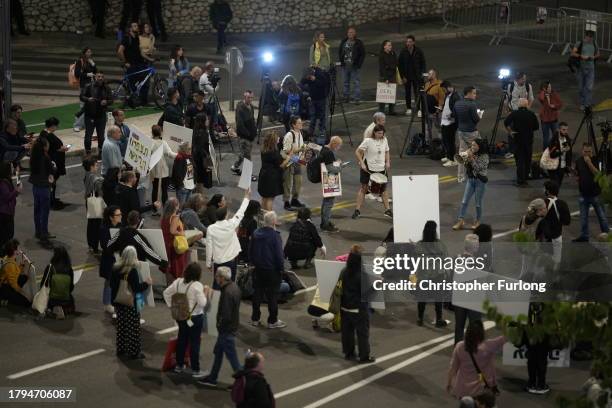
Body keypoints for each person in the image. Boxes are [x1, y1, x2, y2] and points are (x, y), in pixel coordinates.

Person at [163, 263, 210, 378]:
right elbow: (202, 303)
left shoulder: (178, 282)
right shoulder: (197, 285)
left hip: (180, 315)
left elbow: (166, 293)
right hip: (194, 318)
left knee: (182, 340)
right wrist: (206, 293)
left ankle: (179, 365)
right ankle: (196, 369)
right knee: (195, 343)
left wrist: (172, 306)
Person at [198, 267, 242, 387]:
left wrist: (218, 324)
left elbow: (226, 315)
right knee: (218, 352)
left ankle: (243, 382)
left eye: (217, 276)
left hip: (226, 331)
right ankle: (213, 377)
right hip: (231, 328)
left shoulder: (227, 293)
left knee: (234, 360)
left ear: (222, 278)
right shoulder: (234, 287)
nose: (216, 278)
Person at [111, 246, 152, 360]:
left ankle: (121, 349)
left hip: (118, 301)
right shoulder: (132, 271)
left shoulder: (115, 268)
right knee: (133, 327)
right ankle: (134, 352)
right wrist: (147, 283)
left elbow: (111, 285)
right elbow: (137, 288)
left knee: (121, 326)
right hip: (129, 303)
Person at [447, 320, 505, 398]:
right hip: (481, 388)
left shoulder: (460, 346)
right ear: (481, 333)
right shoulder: (488, 346)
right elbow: (507, 337)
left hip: (463, 389)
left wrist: (449, 383)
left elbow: (453, 367)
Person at [249, 211, 286, 329]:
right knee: (272, 297)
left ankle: (255, 318)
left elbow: (250, 251)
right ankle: (272, 321)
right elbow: (279, 256)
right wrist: (281, 269)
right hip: (272, 271)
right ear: (274, 222)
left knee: (257, 294)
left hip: (258, 270)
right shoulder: (275, 236)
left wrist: (253, 264)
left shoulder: (255, 233)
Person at [205, 189, 251, 284]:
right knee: (230, 283)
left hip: (218, 262)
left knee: (218, 284)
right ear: (226, 215)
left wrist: (208, 263)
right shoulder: (232, 224)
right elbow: (241, 212)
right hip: (231, 260)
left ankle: (217, 298)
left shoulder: (211, 229)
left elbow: (209, 247)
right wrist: (246, 197)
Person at [340, 245, 375, 363]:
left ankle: (348, 353)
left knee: (347, 332)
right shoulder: (362, 275)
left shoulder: (344, 272)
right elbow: (367, 293)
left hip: (345, 307)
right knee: (362, 333)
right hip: (358, 309)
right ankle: (364, 356)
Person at [352, 124, 392, 219]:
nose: (381, 135)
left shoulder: (384, 140)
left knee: (384, 190)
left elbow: (387, 151)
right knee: (363, 189)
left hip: (381, 169)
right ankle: (357, 210)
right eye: (379, 133)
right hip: (368, 168)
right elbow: (357, 152)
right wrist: (362, 163)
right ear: (374, 132)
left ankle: (387, 210)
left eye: (382, 133)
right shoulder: (368, 141)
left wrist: (387, 162)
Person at [161, 198, 202, 285]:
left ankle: (169, 288)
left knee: (169, 269)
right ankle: (176, 289)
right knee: (177, 270)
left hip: (166, 245)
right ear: (176, 206)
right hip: (175, 247)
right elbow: (172, 231)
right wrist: (182, 233)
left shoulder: (164, 217)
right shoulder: (175, 217)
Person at [573, 143, 610, 242]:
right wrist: (577, 178)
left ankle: (607, 234)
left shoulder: (596, 160)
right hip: (583, 194)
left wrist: (589, 163)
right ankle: (584, 235)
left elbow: (598, 174)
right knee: (583, 218)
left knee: (602, 217)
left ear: (592, 152)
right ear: (582, 151)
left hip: (596, 194)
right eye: (585, 152)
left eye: (589, 152)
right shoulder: (578, 161)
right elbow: (577, 174)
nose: (587, 154)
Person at [416, 221, 447, 327]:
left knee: (422, 298)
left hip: (423, 276)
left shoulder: (419, 245)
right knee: (438, 298)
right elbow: (445, 259)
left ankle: (420, 318)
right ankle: (439, 319)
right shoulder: (440, 244)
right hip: (437, 275)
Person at [453, 139, 489, 231]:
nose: (472, 147)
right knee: (464, 201)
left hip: (480, 182)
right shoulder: (471, 152)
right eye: (472, 145)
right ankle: (460, 220)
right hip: (471, 180)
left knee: (478, 204)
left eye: (474, 145)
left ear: (479, 146)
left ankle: (477, 221)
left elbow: (478, 168)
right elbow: (467, 167)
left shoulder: (485, 156)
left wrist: (471, 158)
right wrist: (466, 160)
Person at [453, 234, 483, 344]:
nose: (479, 245)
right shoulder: (478, 262)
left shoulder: (456, 259)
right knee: (474, 326)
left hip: (459, 298)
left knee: (459, 326)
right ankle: (473, 348)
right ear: (473, 247)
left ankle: (458, 349)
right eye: (477, 244)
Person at [504, 98, 539, 187]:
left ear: (519, 105)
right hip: (528, 140)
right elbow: (536, 127)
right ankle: (526, 176)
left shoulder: (514, 113)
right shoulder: (531, 114)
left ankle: (520, 180)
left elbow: (506, 122)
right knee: (527, 159)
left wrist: (510, 132)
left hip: (518, 140)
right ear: (527, 105)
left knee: (520, 161)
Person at [453, 86, 482, 183]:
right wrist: (480, 115)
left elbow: (455, 116)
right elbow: (476, 119)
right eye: (474, 93)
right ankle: (477, 173)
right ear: (468, 94)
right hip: (471, 132)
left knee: (462, 154)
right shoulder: (472, 104)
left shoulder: (457, 103)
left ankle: (460, 177)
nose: (475, 95)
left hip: (461, 131)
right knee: (479, 151)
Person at [28, 138, 55, 242]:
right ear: (44, 147)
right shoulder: (45, 157)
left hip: (35, 187)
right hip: (44, 187)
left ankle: (38, 231)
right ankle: (44, 233)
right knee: (44, 212)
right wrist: (54, 166)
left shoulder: (33, 156)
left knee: (37, 210)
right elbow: (51, 170)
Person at [38, 117, 68, 210]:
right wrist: (61, 149)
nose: (57, 127)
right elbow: (50, 149)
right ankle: (51, 202)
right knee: (52, 182)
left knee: (52, 182)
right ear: (53, 126)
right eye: (56, 125)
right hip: (53, 162)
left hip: (52, 161)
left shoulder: (44, 133)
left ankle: (52, 199)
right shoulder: (48, 135)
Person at [80, 72, 113, 155]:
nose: (100, 78)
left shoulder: (107, 88)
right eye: (99, 76)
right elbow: (81, 96)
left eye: (102, 76)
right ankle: (88, 153)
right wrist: (88, 99)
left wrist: (106, 102)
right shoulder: (88, 86)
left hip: (101, 116)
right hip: (90, 116)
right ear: (95, 77)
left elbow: (111, 100)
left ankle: (101, 153)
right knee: (88, 137)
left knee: (101, 137)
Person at [258, 132, 291, 211]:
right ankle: (270, 220)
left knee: (264, 198)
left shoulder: (264, 149)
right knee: (270, 199)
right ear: (273, 141)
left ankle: (263, 217)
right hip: (271, 177)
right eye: (277, 139)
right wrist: (288, 158)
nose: (279, 140)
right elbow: (281, 165)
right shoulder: (274, 153)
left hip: (263, 175)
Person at [117, 22, 148, 106]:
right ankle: (132, 102)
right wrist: (125, 62)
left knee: (144, 82)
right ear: (130, 28)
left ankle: (142, 102)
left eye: (137, 26)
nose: (137, 27)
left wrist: (149, 59)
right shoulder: (127, 38)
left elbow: (139, 51)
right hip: (131, 65)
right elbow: (120, 51)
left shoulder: (137, 38)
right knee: (132, 84)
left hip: (139, 64)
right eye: (134, 26)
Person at [41, 246, 75, 319]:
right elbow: (71, 287)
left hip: (52, 299)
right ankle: (63, 308)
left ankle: (52, 308)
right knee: (70, 298)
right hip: (66, 299)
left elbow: (43, 284)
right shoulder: (69, 269)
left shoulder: (50, 267)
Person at [99, 205, 122, 318]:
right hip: (109, 258)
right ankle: (107, 303)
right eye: (118, 215)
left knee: (116, 282)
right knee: (109, 281)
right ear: (111, 217)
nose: (120, 216)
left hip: (118, 257)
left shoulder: (120, 226)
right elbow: (105, 246)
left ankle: (114, 301)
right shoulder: (104, 229)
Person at [282, 116, 306, 211]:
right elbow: (286, 150)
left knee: (298, 182)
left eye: (301, 123)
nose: (301, 124)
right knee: (287, 182)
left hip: (298, 161)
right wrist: (300, 149)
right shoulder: (289, 135)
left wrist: (303, 153)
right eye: (299, 123)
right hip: (290, 161)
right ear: (293, 125)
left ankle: (295, 199)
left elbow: (301, 146)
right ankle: (286, 201)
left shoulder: (300, 133)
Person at [398, 35, 426, 116]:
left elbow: (423, 63)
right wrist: (402, 76)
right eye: (407, 42)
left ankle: (419, 109)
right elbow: (400, 65)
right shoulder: (403, 51)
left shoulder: (418, 51)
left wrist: (422, 74)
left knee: (417, 93)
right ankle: (409, 108)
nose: (408, 43)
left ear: (413, 42)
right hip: (407, 77)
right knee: (407, 93)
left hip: (417, 76)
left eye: (410, 42)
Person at [149, 125, 177, 208]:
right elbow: (170, 154)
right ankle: (165, 208)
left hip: (153, 171)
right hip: (163, 171)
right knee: (164, 190)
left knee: (154, 189)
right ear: (160, 133)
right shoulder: (163, 143)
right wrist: (181, 154)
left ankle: (154, 208)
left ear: (152, 132)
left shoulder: (149, 142)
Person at [571, 30, 599, 110]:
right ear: (585, 36)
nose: (590, 39)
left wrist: (594, 57)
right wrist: (581, 56)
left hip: (591, 68)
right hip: (581, 68)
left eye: (591, 37)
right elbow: (573, 53)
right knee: (581, 87)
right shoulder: (579, 43)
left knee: (589, 87)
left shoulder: (594, 43)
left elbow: (598, 54)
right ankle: (582, 102)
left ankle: (587, 104)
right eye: (589, 37)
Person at [320, 136, 343, 232]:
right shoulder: (329, 152)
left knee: (326, 201)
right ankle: (325, 224)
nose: (338, 148)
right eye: (338, 146)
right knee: (328, 203)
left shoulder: (323, 148)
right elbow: (331, 168)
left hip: (325, 178)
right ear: (333, 143)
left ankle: (325, 222)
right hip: (330, 180)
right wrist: (340, 166)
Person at [300, 67, 330, 140]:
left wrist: (315, 80)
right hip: (312, 99)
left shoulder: (320, 74)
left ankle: (321, 130)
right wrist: (308, 92)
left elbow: (324, 84)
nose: (308, 78)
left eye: (309, 77)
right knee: (312, 116)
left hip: (321, 99)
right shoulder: (307, 75)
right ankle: (311, 131)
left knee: (322, 116)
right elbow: (301, 82)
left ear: (312, 74)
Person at [232, 90, 257, 177]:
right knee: (247, 156)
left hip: (250, 135)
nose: (250, 99)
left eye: (251, 97)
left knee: (243, 154)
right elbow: (240, 124)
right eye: (248, 97)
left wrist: (254, 131)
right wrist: (248, 134)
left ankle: (235, 166)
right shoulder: (240, 108)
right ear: (244, 97)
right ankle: (247, 175)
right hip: (244, 136)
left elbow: (252, 120)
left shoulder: (251, 107)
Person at [73, 47, 98, 132]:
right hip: (83, 86)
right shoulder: (80, 61)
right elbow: (77, 74)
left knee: (89, 105)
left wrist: (94, 65)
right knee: (82, 105)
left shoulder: (90, 61)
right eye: (88, 52)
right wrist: (87, 74)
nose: (89, 53)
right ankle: (77, 125)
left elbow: (95, 72)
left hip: (91, 86)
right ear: (84, 53)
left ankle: (84, 124)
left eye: (90, 52)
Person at [0, 239, 31, 307]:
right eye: (18, 248)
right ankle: (5, 299)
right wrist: (22, 292)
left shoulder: (8, 258)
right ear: (14, 251)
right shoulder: (10, 265)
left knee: (24, 277)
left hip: (7, 284)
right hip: (5, 288)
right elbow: (13, 284)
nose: (19, 250)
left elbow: (15, 272)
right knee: (27, 303)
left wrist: (21, 266)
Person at [83, 156, 104, 253]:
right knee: (96, 226)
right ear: (91, 167)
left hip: (88, 201)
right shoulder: (96, 179)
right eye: (96, 165)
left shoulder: (87, 175)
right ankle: (95, 247)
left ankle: (90, 244)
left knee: (90, 224)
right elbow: (100, 192)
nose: (97, 166)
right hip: (95, 203)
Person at [339, 27, 365, 104]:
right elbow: (340, 51)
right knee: (345, 82)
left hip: (354, 66)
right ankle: (346, 97)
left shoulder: (358, 42)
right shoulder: (344, 41)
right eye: (349, 32)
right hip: (345, 66)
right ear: (347, 34)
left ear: (355, 33)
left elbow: (362, 54)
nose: (350, 34)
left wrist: (359, 64)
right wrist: (341, 61)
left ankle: (356, 98)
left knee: (356, 83)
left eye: (352, 32)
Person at [0, 162, 20, 250]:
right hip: (5, 214)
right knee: (7, 236)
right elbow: (7, 196)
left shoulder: (7, 180)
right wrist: (16, 191)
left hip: (7, 212)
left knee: (8, 235)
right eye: (11, 167)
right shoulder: (3, 182)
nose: (13, 168)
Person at [537, 81, 563, 150]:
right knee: (546, 137)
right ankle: (545, 151)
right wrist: (544, 92)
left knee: (556, 136)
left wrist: (554, 106)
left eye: (550, 86)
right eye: (549, 87)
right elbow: (541, 98)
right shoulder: (541, 94)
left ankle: (556, 149)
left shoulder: (554, 94)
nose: (550, 88)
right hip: (545, 120)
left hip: (554, 119)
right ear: (544, 88)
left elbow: (560, 104)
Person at [440, 80, 460, 167]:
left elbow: (457, 109)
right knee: (445, 140)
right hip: (445, 121)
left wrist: (451, 115)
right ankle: (448, 156)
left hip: (451, 122)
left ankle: (452, 159)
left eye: (444, 89)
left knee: (450, 141)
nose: (443, 91)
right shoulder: (447, 95)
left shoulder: (455, 97)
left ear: (449, 88)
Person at [547, 122, 571, 187]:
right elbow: (552, 154)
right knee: (554, 184)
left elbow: (568, 154)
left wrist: (568, 167)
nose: (565, 132)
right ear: (559, 129)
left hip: (562, 166)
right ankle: (552, 195)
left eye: (566, 130)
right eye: (563, 130)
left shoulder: (567, 138)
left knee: (558, 184)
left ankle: (554, 196)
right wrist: (562, 151)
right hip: (554, 166)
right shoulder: (554, 139)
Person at [237, 200, 261, 264]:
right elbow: (254, 235)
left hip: (240, 241)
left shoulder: (243, 217)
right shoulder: (252, 222)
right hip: (247, 245)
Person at [378, 40, 398, 115]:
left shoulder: (393, 53)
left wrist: (389, 66)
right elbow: (382, 68)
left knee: (392, 94)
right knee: (383, 95)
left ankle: (391, 110)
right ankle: (381, 110)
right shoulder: (382, 55)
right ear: (384, 46)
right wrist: (386, 78)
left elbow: (395, 63)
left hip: (392, 75)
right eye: (389, 45)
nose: (390, 47)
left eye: (391, 45)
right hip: (384, 76)